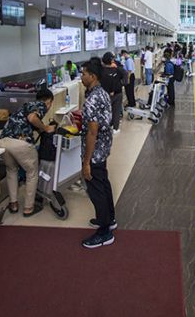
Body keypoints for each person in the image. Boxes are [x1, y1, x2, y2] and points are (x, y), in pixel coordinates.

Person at [0, 88, 55, 217]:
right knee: (32, 172)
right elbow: (32, 118)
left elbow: (28, 121)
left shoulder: (26, 106)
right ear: (49, 101)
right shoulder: (41, 105)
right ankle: (29, 208)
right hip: (20, 143)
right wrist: (46, 128)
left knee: (11, 170)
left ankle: (13, 204)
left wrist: (40, 129)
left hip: (3, 142)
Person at [79, 57, 116, 248]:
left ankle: (104, 232)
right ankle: (110, 218)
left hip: (95, 150)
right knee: (103, 182)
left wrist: (86, 162)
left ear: (92, 76)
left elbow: (92, 131)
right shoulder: (101, 92)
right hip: (104, 146)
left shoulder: (92, 99)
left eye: (83, 74)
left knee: (96, 189)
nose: (81, 76)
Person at [101, 52, 125, 134]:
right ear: (111, 60)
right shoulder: (117, 70)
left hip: (105, 95)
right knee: (116, 111)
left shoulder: (101, 71)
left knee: (106, 111)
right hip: (117, 93)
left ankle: (106, 127)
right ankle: (115, 128)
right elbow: (125, 76)